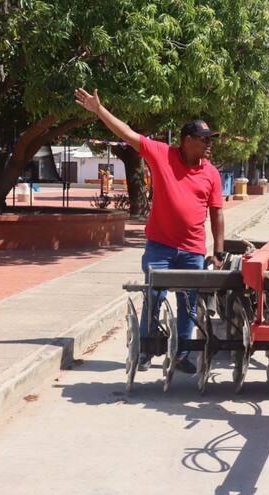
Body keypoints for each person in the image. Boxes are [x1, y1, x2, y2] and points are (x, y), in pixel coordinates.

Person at [74, 87, 225, 374]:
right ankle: (146, 347)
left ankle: (182, 354)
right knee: (154, 296)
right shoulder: (161, 154)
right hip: (160, 247)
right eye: (204, 140)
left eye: (211, 140)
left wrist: (218, 252)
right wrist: (98, 110)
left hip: (193, 250)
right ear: (187, 140)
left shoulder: (212, 174)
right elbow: (128, 133)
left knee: (188, 304)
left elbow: (217, 214)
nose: (209, 144)